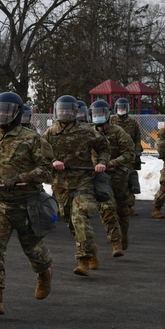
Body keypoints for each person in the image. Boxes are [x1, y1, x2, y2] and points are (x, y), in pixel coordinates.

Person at [0, 92, 55, 315]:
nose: (2, 115)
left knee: (32, 248)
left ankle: (44, 273)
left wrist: (21, 178)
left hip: (26, 203)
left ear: (16, 113)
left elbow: (46, 170)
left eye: (7, 111)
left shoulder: (32, 139)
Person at [44, 95, 110, 277]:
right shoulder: (50, 132)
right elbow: (40, 152)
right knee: (69, 220)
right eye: (61, 109)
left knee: (80, 218)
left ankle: (83, 260)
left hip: (83, 180)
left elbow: (104, 147)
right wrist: (53, 160)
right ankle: (91, 248)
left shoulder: (87, 131)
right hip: (60, 184)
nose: (64, 113)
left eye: (68, 110)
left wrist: (101, 163)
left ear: (74, 111)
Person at [90, 100, 137, 256]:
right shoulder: (89, 133)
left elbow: (129, 154)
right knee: (106, 208)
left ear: (108, 115)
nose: (98, 117)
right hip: (99, 176)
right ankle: (115, 243)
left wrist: (111, 163)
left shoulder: (118, 132)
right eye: (95, 114)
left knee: (122, 209)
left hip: (118, 175)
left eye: (101, 114)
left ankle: (124, 233)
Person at [109, 97, 143, 215]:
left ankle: (129, 206)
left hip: (128, 156)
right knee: (113, 181)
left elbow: (137, 139)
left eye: (123, 108)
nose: (121, 110)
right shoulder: (110, 121)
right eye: (119, 108)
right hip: (113, 156)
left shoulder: (133, 123)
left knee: (130, 181)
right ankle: (112, 205)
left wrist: (137, 154)